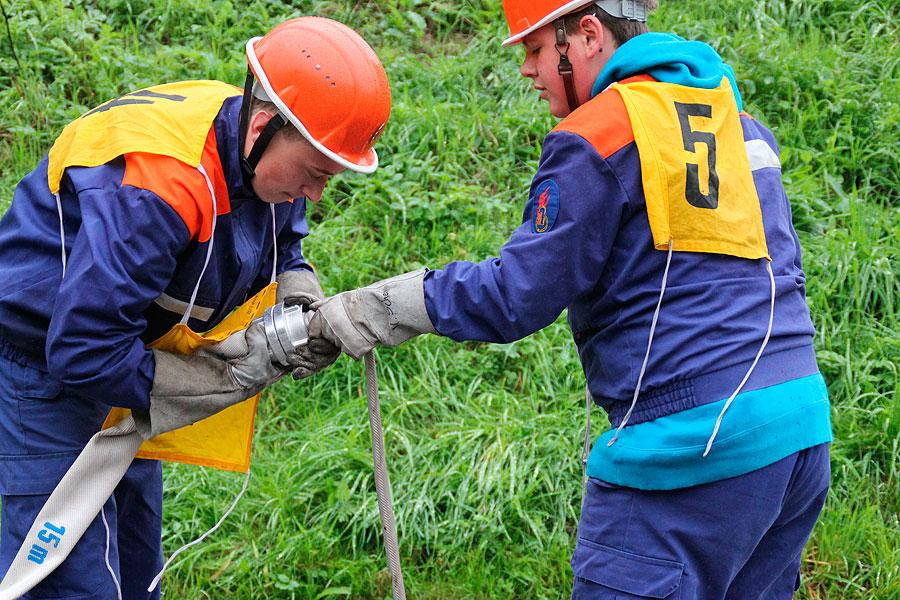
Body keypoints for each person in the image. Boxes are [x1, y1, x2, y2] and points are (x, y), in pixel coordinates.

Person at [305, 1, 832, 598]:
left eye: (534, 49)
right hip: (798, 428)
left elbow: (516, 294)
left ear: (586, 34)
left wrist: (387, 304)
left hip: (691, 444)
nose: (526, 69)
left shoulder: (600, 131)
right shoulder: (738, 121)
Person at [0, 16, 390, 599]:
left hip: (123, 357)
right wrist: (207, 380)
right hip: (43, 369)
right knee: (69, 580)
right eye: (314, 174)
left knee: (137, 565)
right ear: (262, 127)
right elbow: (81, 349)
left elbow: (284, 238)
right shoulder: (161, 190)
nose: (315, 193)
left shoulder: (260, 147)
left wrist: (300, 294)